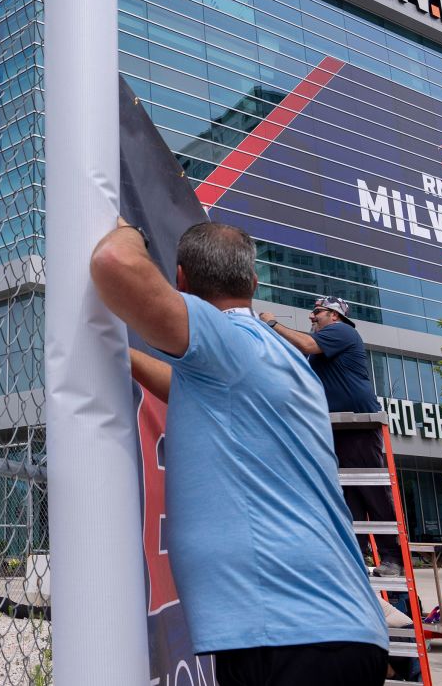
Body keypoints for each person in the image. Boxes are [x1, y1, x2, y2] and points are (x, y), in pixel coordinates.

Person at [91, 220, 387, 686]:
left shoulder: (228, 341)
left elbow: (115, 264)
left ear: (182, 280)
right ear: (253, 283)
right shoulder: (269, 355)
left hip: (291, 638)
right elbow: (192, 390)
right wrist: (121, 356)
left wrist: (130, 232)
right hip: (318, 632)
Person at [259, 298, 402, 576]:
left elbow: (306, 344)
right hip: (334, 426)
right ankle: (355, 555)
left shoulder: (341, 332)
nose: (312, 317)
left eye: (317, 312)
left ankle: (392, 556)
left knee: (372, 491)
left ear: (334, 315)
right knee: (349, 496)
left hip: (357, 423)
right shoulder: (321, 347)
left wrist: (273, 323)